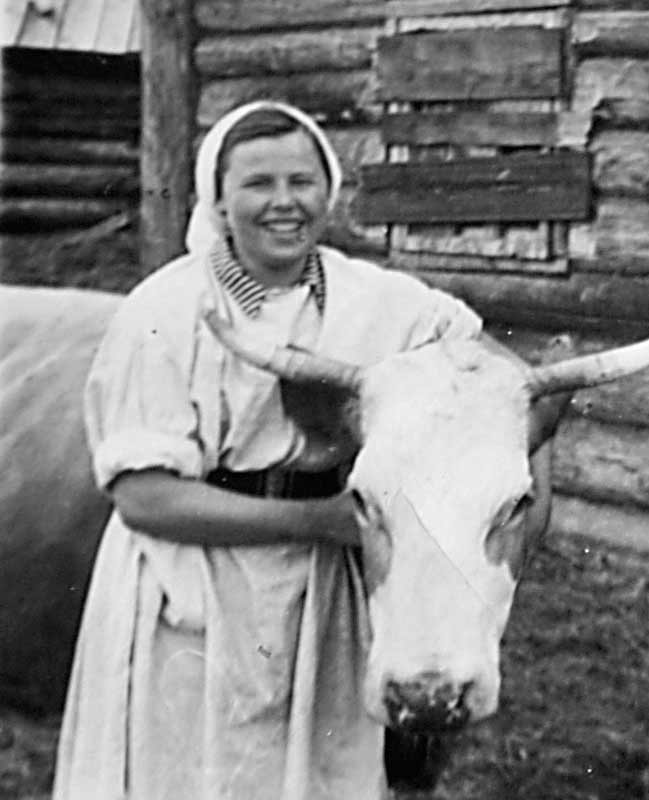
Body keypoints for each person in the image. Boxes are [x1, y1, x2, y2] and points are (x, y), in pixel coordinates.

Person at [52, 100, 483, 799]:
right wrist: (321, 521)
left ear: (330, 190)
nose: (284, 204)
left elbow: (485, 367)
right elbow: (144, 497)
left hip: (322, 592)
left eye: (302, 181)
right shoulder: (166, 312)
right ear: (218, 202)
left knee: (315, 767)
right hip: (192, 585)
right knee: (190, 769)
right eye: (258, 184)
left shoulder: (376, 299)